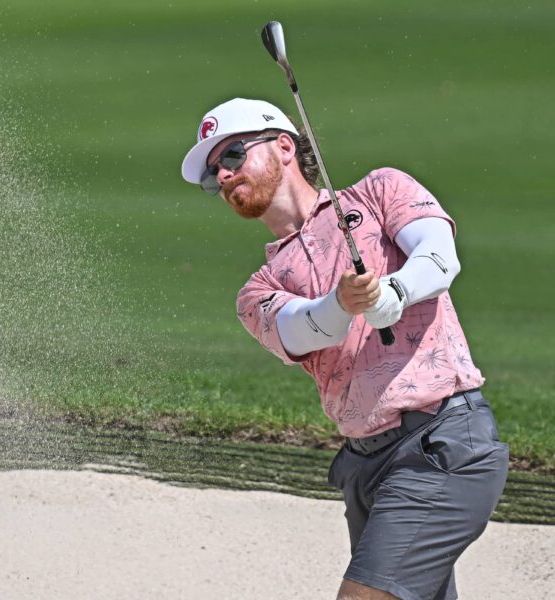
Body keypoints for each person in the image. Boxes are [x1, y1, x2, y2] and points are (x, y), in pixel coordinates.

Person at [181, 97, 509, 600]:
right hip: (366, 468)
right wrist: (344, 302)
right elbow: (302, 329)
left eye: (231, 157)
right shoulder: (257, 291)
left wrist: (395, 293)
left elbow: (439, 256)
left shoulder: (380, 192)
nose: (222, 178)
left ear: (284, 146)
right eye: (212, 176)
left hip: (443, 444)